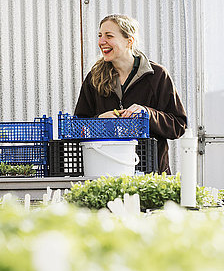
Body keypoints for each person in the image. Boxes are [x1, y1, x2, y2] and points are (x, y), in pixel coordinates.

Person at [74, 14, 187, 174]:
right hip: (105, 173)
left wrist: (147, 114)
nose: (101, 42)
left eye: (109, 36)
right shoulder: (94, 77)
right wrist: (99, 121)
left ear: (129, 41)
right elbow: (77, 127)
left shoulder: (157, 75)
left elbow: (179, 125)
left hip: (150, 176)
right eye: (100, 36)